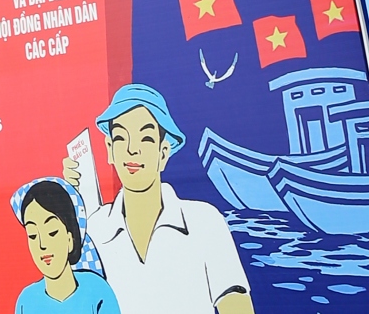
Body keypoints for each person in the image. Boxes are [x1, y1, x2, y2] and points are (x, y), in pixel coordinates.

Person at [63, 84, 252, 314]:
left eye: (146, 138)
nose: (132, 150)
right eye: (121, 137)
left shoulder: (205, 221)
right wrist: (67, 205)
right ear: (110, 149)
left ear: (163, 153)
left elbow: (237, 306)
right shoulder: (93, 229)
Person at [10, 178, 120, 313]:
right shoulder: (27, 301)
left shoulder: (97, 290)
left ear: (70, 239)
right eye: (33, 235)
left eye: (52, 232)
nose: (42, 245)